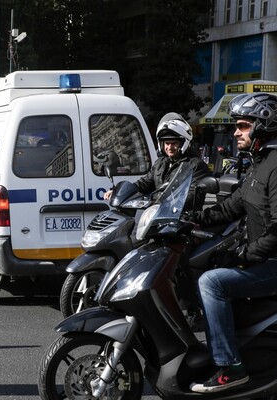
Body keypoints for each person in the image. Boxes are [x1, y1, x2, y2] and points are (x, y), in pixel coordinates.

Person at [188, 92, 277, 393]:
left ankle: (230, 367)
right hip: (263, 259)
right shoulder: (259, 163)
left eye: (242, 125)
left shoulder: (276, 167)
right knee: (206, 265)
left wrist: (244, 256)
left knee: (211, 283)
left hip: (272, 264)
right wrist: (192, 217)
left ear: (262, 127)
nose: (235, 132)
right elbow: (232, 205)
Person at [103, 113, 210, 211]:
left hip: (183, 220)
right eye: (167, 143)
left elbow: (193, 196)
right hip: (158, 216)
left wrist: (160, 202)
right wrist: (119, 193)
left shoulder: (196, 165)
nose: (169, 147)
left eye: (174, 143)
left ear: (183, 143)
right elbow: (143, 184)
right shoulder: (160, 163)